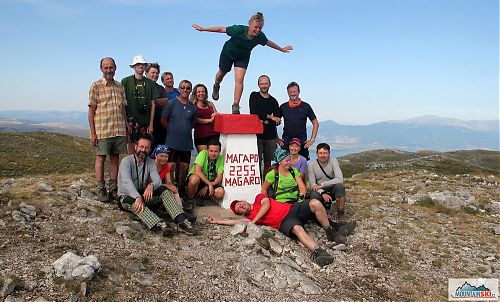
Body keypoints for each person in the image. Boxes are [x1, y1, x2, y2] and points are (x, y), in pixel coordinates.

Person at [208, 193, 348, 267]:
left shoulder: (258, 198)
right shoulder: (249, 218)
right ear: (241, 213)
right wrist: (218, 221)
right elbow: (236, 222)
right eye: (239, 209)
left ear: (243, 201)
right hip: (284, 222)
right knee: (297, 229)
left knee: (315, 203)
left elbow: (266, 204)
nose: (241, 206)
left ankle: (330, 231)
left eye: (240, 204)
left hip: (292, 208)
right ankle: (320, 252)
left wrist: (254, 221)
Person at [192, 12, 293, 114]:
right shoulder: (239, 29)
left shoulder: (260, 37)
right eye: (256, 27)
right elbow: (221, 29)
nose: (257, 30)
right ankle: (216, 85)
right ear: (250, 25)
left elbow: (268, 42)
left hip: (242, 57)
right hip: (228, 53)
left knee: (239, 79)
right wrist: (203, 29)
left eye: (260, 28)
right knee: (222, 72)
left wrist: (281, 49)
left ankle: (235, 105)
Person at [117, 135, 197, 236]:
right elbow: (126, 181)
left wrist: (151, 185)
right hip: (127, 197)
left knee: (162, 189)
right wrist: (137, 197)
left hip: (143, 195)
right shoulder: (126, 161)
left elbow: (158, 181)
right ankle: (159, 225)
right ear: (135, 147)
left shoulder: (150, 162)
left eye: (146, 148)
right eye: (141, 147)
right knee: (131, 201)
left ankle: (182, 221)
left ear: (150, 149)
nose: (143, 150)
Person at [88, 57, 128, 202]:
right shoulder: (96, 86)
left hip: (119, 129)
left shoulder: (120, 87)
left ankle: (113, 189)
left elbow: (123, 109)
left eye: (111, 67)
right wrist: (93, 132)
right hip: (103, 129)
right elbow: (91, 111)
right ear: (101, 69)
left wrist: (126, 128)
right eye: (106, 68)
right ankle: (100, 188)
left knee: (115, 158)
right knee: (101, 158)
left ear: (115, 68)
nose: (108, 70)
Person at [160, 80, 197, 194]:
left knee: (185, 166)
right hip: (172, 140)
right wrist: (172, 130)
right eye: (182, 87)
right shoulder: (171, 103)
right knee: (170, 165)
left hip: (186, 141)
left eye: (187, 88)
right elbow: (163, 120)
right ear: (179, 89)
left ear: (190, 90)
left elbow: (193, 124)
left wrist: (183, 129)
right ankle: (170, 187)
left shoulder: (193, 107)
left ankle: (181, 188)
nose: (185, 90)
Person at [121, 55, 159, 154]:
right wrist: (125, 123)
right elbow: (122, 103)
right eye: (138, 64)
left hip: (145, 122)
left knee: (144, 149)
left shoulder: (150, 83)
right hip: (131, 121)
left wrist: (151, 124)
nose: (140, 66)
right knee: (132, 150)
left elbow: (153, 104)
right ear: (134, 67)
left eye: (142, 64)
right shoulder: (126, 81)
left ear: (145, 66)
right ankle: (132, 169)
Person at [249, 75, 281, 178]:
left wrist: (263, 120)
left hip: (270, 137)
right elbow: (254, 112)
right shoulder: (254, 96)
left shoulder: (274, 101)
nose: (264, 86)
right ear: (258, 85)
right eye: (262, 83)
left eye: (266, 83)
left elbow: (278, 120)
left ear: (269, 84)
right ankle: (257, 186)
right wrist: (270, 117)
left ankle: (266, 185)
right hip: (257, 136)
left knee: (269, 163)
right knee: (256, 162)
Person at [279, 82, 319, 160]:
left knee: (302, 168)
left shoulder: (306, 106)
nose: (293, 94)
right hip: (286, 143)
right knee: (285, 168)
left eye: (294, 91)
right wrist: (276, 138)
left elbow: (315, 123)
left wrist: (312, 140)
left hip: (302, 143)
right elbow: (274, 122)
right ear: (287, 93)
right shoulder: (283, 107)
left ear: (299, 92)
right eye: (290, 92)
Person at [308, 143, 348, 221]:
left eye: (325, 153)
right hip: (320, 191)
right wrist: (323, 193)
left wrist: (322, 184)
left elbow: (340, 179)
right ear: (316, 154)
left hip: (332, 188)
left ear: (329, 153)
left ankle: (341, 212)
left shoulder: (333, 161)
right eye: (320, 153)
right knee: (313, 195)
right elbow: (313, 184)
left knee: (340, 187)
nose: (323, 155)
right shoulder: (311, 165)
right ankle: (318, 214)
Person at [185, 139, 225, 208]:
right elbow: (197, 171)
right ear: (207, 150)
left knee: (220, 192)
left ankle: (200, 196)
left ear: (219, 151)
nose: (213, 154)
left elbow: (219, 177)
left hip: (209, 182)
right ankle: (190, 200)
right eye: (211, 151)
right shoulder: (203, 154)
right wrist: (209, 184)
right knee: (195, 179)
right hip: (199, 179)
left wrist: (207, 186)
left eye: (216, 151)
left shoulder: (221, 158)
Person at [190, 84, 219, 152]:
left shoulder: (210, 104)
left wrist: (216, 115)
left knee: (214, 158)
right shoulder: (192, 105)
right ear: (195, 93)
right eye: (199, 92)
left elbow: (216, 116)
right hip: (201, 135)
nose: (201, 93)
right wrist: (209, 120)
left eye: (203, 91)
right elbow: (195, 119)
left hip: (214, 134)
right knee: (203, 157)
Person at [145, 63, 168, 149]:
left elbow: (165, 101)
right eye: (153, 73)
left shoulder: (160, 88)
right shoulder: (142, 86)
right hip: (144, 123)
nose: (155, 75)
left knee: (159, 150)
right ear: (146, 73)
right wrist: (157, 101)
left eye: (157, 73)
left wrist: (151, 100)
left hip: (159, 124)